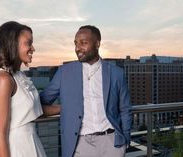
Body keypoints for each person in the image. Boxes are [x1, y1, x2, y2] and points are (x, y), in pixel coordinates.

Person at [40, 25, 132, 157]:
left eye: (83, 43)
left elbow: (125, 108)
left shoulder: (116, 73)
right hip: (80, 144)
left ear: (97, 43)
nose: (78, 48)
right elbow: (41, 102)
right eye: (76, 43)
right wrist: (63, 108)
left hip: (112, 142)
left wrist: (125, 140)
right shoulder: (64, 73)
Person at [0, 21, 59, 157]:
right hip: (15, 148)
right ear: (12, 44)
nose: (33, 48)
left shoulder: (18, 75)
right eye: (28, 43)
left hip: (30, 143)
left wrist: (65, 108)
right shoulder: (3, 79)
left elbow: (32, 110)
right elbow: (0, 134)